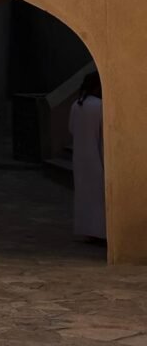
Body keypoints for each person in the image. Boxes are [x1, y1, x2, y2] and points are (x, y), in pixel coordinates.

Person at [69, 71, 105, 242]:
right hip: (96, 155)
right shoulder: (100, 106)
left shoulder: (76, 105)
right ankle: (100, 233)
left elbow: (71, 129)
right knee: (99, 196)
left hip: (80, 156)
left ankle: (89, 231)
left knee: (85, 196)